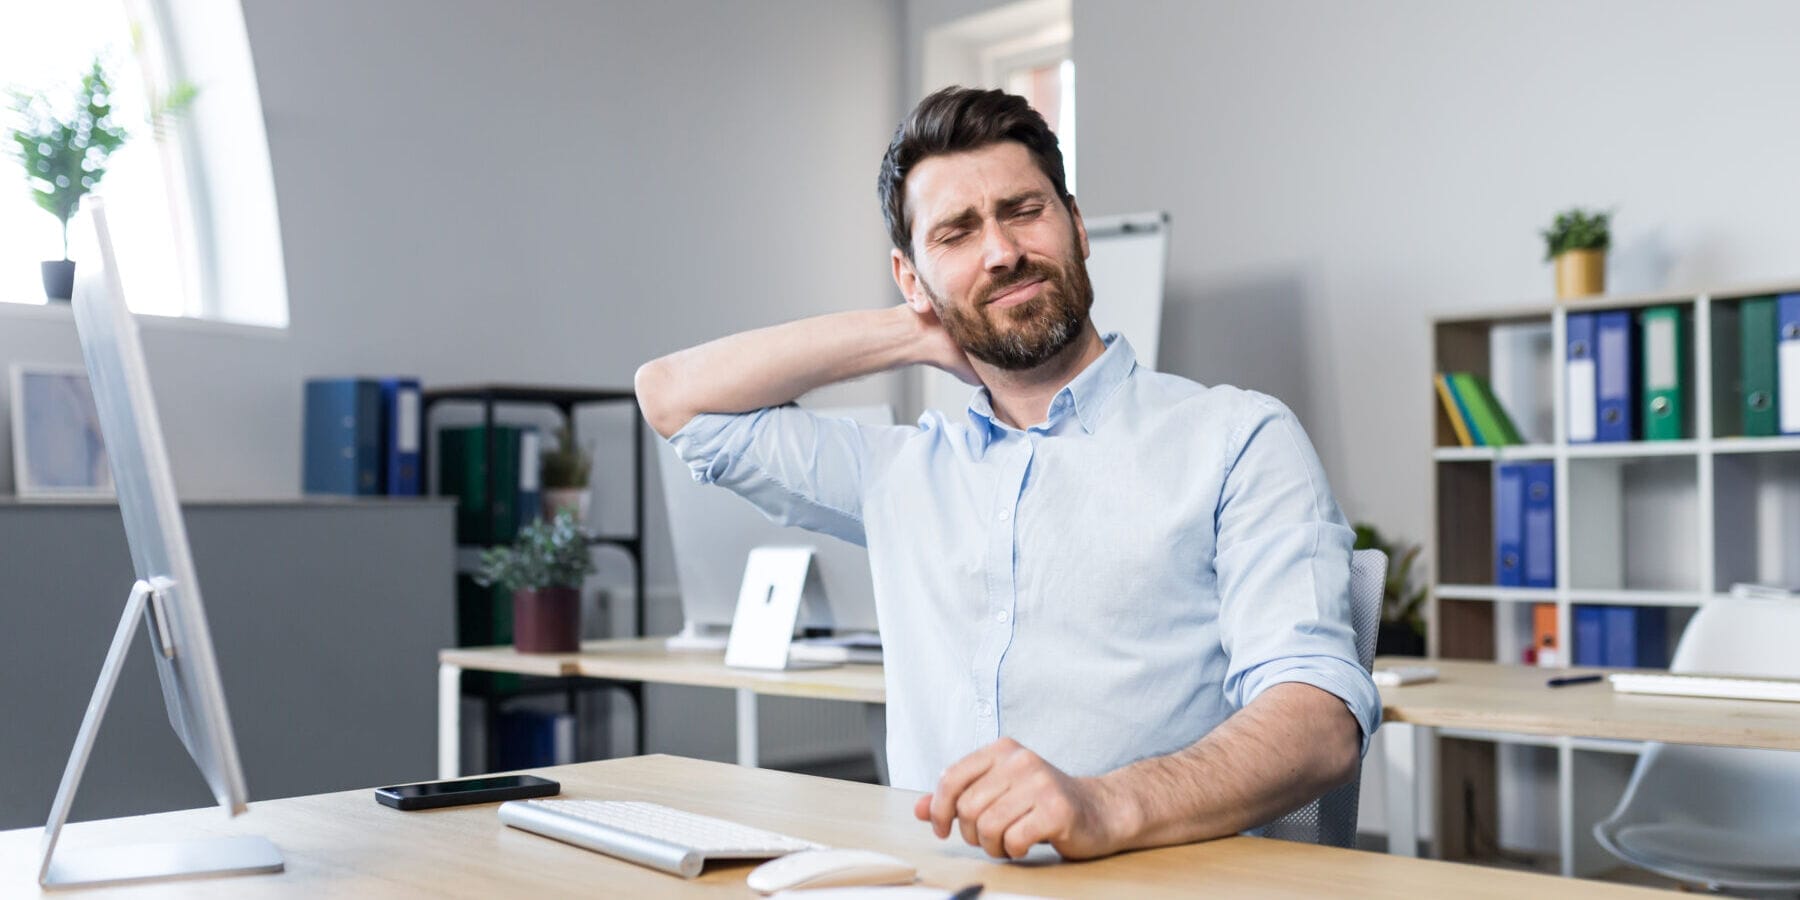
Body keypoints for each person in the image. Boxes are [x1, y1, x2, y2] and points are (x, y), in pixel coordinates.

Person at [634, 86, 1378, 862]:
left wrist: (1104, 804)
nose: (1001, 251)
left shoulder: (1236, 438)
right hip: (929, 885)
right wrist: (910, 331)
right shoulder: (901, 472)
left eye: (1023, 211)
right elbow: (674, 397)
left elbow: (1318, 723)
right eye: (956, 234)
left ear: (1077, 224)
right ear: (911, 277)